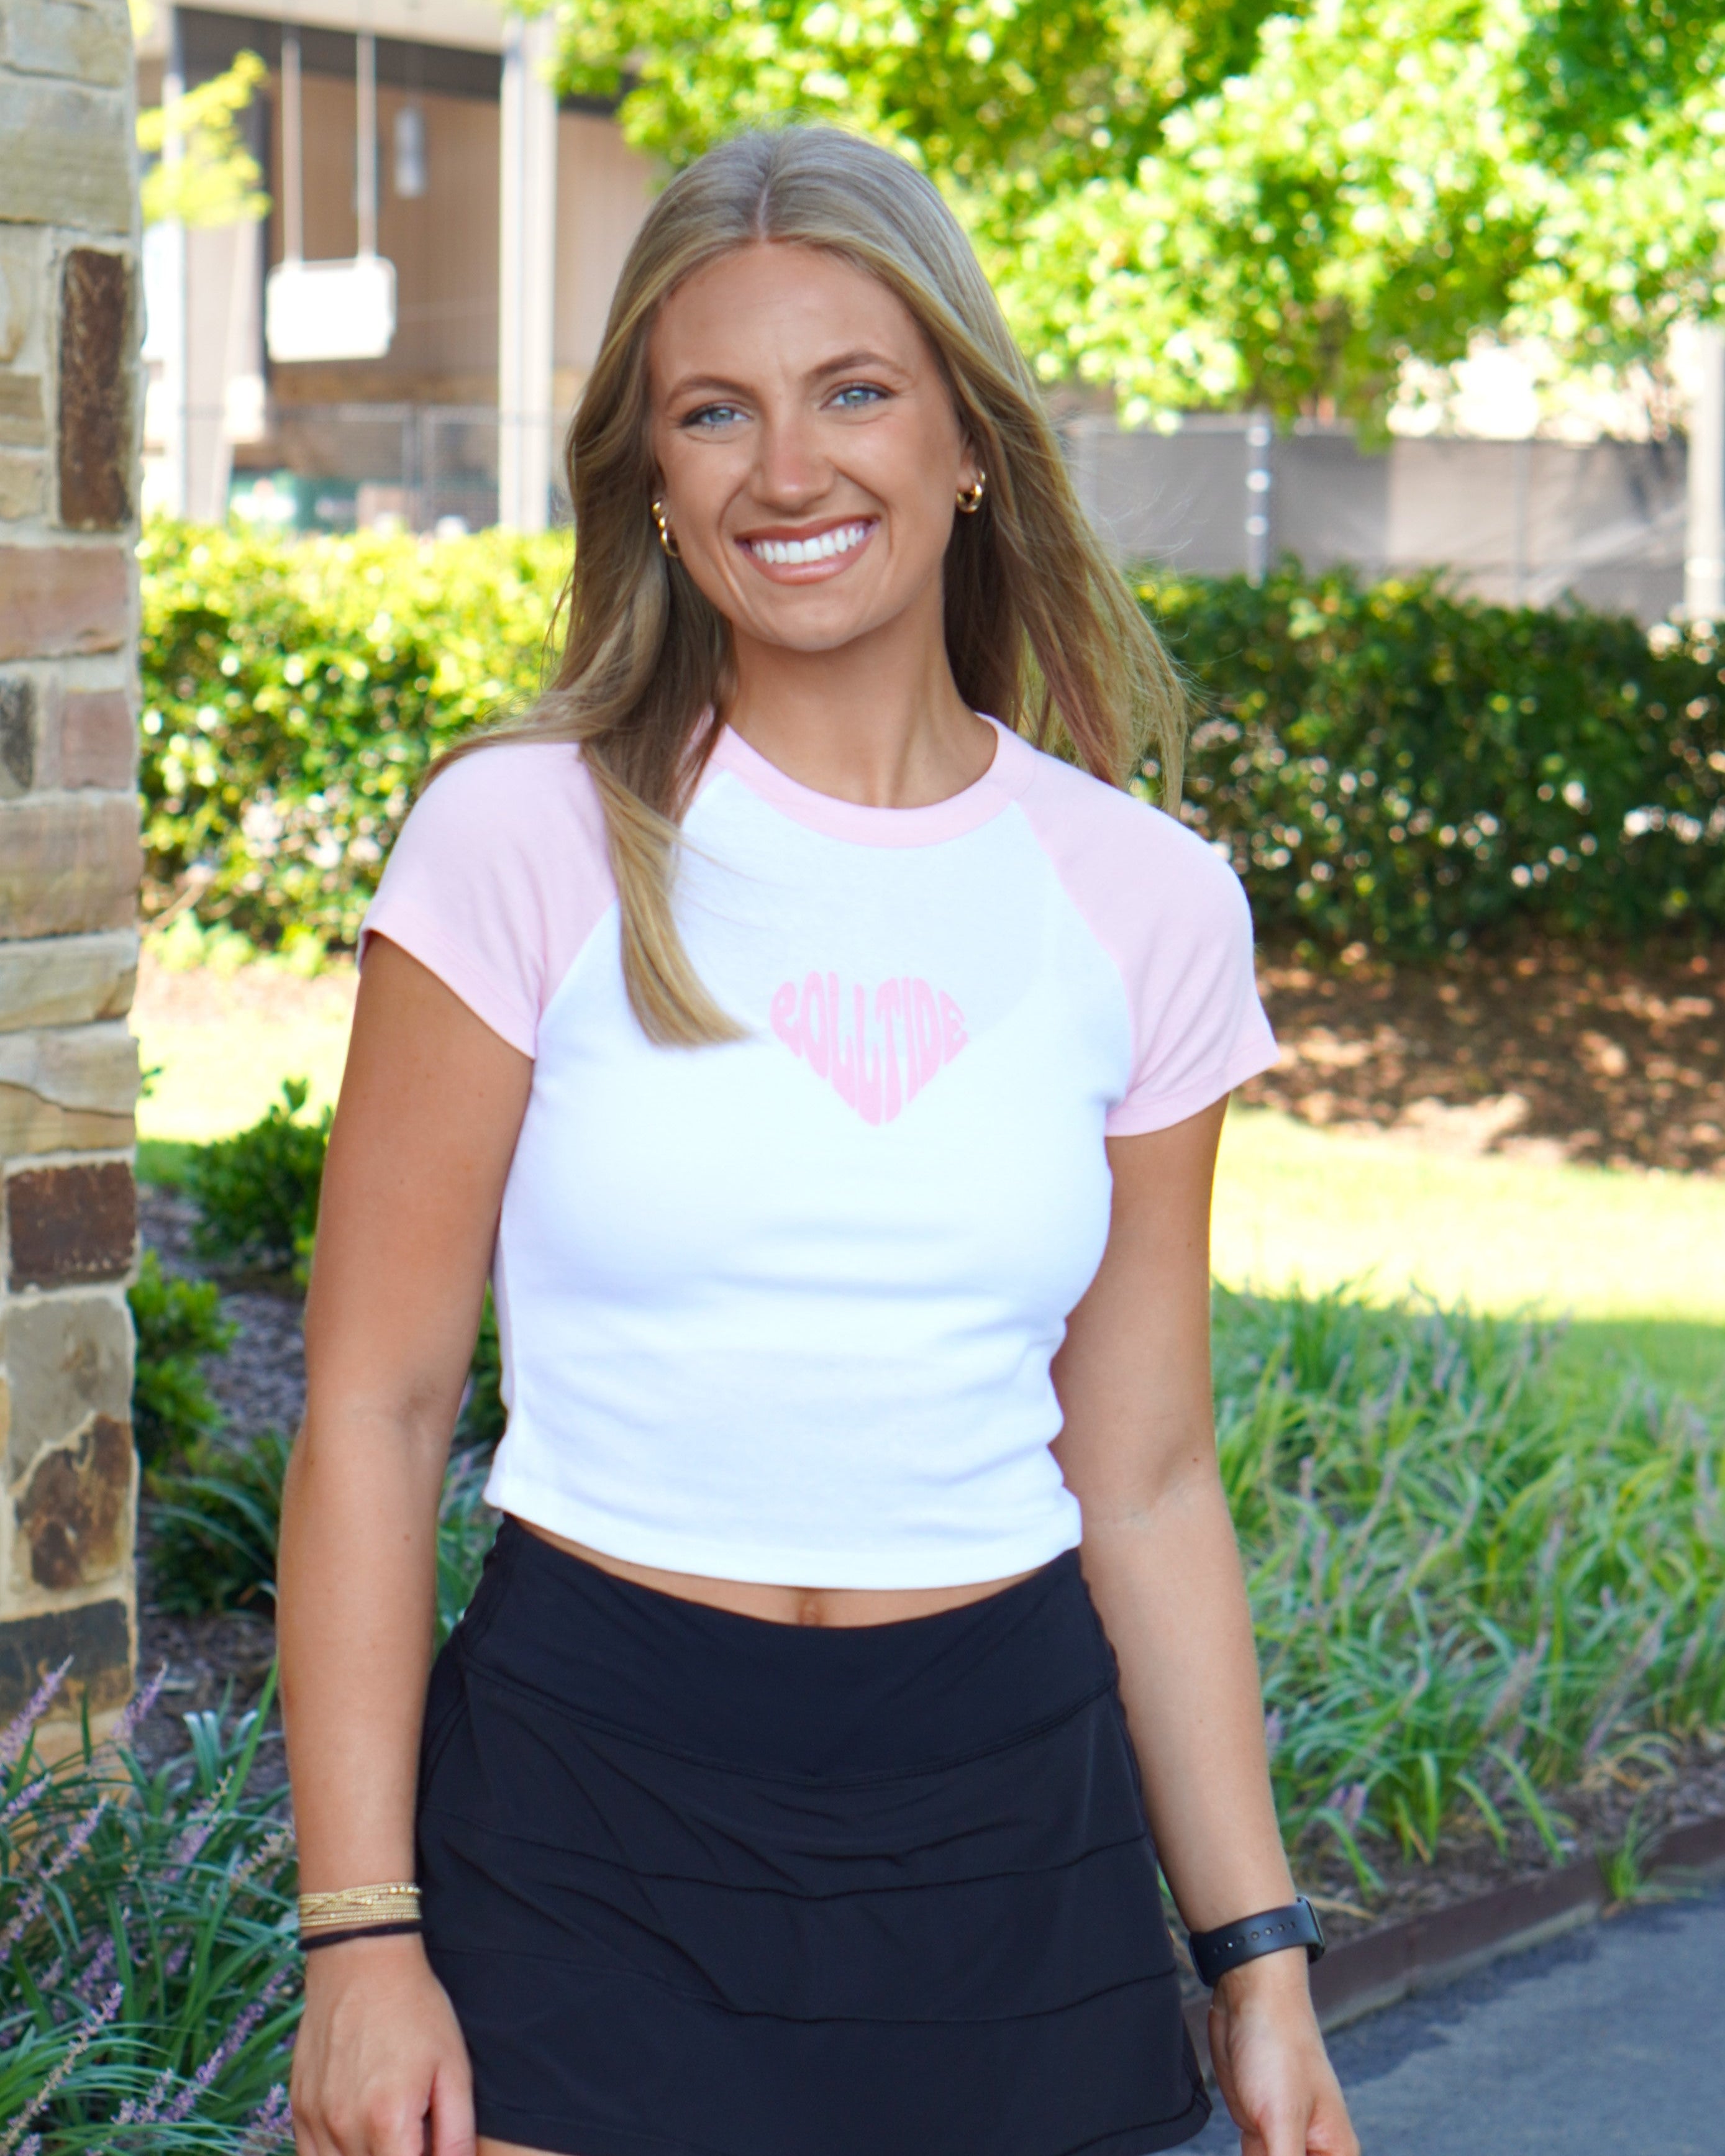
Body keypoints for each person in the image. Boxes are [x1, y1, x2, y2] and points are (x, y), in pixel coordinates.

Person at [279, 125, 1359, 2156]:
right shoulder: (524, 838)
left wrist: (1261, 1961)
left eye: (852, 390)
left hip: (997, 1811)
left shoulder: (1144, 899)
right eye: (716, 412)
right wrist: (361, 1940)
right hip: (584, 1799)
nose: (789, 470)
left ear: (966, 437)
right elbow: (379, 1406)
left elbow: (1142, 1478)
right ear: (657, 483)